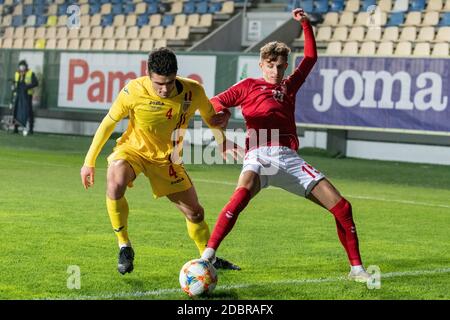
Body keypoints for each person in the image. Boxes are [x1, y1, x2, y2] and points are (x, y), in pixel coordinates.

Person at [201, 9, 371, 282]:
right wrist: (222, 124)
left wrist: (305, 24)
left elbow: (311, 57)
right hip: (258, 153)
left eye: (281, 66)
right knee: (241, 194)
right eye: (271, 65)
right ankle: (207, 256)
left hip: (289, 158)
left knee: (343, 208)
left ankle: (357, 270)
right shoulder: (246, 86)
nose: (276, 71)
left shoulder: (289, 86)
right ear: (261, 64)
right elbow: (212, 106)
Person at [80, 48, 240, 275]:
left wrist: (222, 139)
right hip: (133, 151)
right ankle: (124, 245)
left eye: (169, 83)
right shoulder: (133, 90)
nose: (164, 89)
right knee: (115, 179)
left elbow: (211, 117)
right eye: (158, 84)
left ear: (176, 74)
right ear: (148, 74)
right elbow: (108, 123)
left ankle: (208, 257)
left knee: (196, 213)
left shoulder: (193, 91)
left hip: (168, 160)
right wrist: (89, 161)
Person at [13, 60, 38, 135]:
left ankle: (31, 129)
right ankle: (15, 128)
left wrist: (27, 87)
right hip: (18, 95)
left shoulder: (31, 73)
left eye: (23, 66)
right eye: (20, 66)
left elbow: (36, 83)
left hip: (27, 95)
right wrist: (14, 87)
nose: (22, 68)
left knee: (29, 112)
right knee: (16, 111)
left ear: (26, 67)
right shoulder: (16, 73)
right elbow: (15, 83)